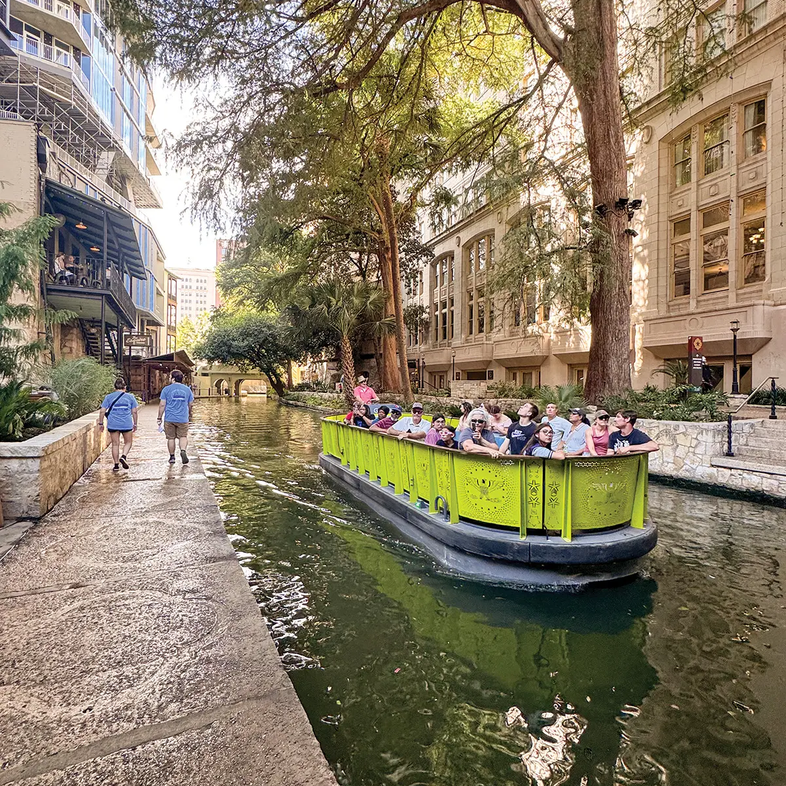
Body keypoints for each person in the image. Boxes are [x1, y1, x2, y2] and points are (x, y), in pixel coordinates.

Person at [96, 378, 138, 472]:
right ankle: (123, 456)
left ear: (114, 387)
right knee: (128, 442)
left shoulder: (109, 397)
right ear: (125, 387)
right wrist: (135, 424)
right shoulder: (130, 397)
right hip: (126, 423)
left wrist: (101, 423)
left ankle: (116, 465)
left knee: (115, 444)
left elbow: (102, 411)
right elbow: (134, 411)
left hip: (113, 424)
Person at [157, 369, 194, 465]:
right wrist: (189, 414)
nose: (169, 378)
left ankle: (172, 457)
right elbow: (190, 404)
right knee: (183, 436)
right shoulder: (187, 390)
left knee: (171, 438)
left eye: (170, 377)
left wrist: (159, 417)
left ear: (173, 379)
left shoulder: (166, 389)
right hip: (183, 418)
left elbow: (162, 405)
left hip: (169, 418)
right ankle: (183, 450)